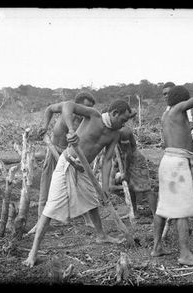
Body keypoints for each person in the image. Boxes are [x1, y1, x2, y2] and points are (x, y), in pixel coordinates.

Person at [23, 99, 135, 268]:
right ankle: (33, 252)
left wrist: (105, 187)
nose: (124, 124)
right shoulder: (93, 116)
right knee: (50, 208)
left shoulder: (114, 134)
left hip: (84, 170)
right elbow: (67, 105)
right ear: (114, 114)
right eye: (123, 120)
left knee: (92, 200)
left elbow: (107, 160)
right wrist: (71, 130)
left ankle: (101, 235)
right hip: (67, 163)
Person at [151, 85, 193, 266]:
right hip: (176, 164)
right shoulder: (178, 109)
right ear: (183, 100)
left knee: (162, 207)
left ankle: (157, 247)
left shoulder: (167, 114)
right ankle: (184, 254)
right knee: (181, 210)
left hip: (169, 161)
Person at [27, 91, 96, 234]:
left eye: (89, 108)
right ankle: (40, 223)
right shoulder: (65, 107)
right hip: (53, 151)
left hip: (70, 155)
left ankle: (88, 220)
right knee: (46, 185)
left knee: (79, 186)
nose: (85, 111)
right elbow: (49, 109)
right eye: (85, 107)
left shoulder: (87, 120)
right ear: (77, 105)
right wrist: (45, 126)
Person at [116, 125, 156, 217]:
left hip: (135, 160)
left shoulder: (124, 131)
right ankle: (134, 212)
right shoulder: (114, 131)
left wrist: (125, 172)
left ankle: (156, 215)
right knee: (131, 188)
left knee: (146, 188)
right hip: (126, 160)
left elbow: (128, 153)